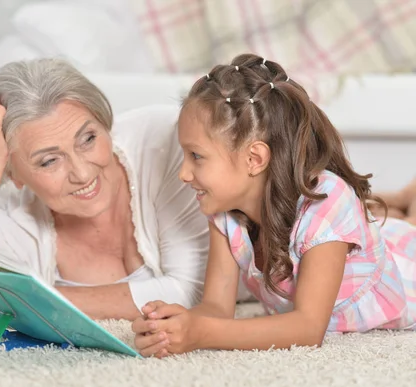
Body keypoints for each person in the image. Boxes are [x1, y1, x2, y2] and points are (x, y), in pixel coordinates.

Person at [132, 54, 416, 358]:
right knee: (385, 221)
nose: (183, 174)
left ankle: (404, 200)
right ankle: (398, 202)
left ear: (254, 159)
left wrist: (200, 333)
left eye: (196, 156)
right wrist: (176, 323)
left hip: (407, 270)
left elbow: (308, 328)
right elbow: (217, 308)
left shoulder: (328, 202)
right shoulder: (225, 213)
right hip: (361, 238)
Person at [0, 58, 222, 327]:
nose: (81, 173)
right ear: (13, 174)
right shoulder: (14, 211)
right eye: (49, 161)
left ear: (105, 124)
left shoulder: (168, 141)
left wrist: (31, 301)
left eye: (88, 139)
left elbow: (191, 290)